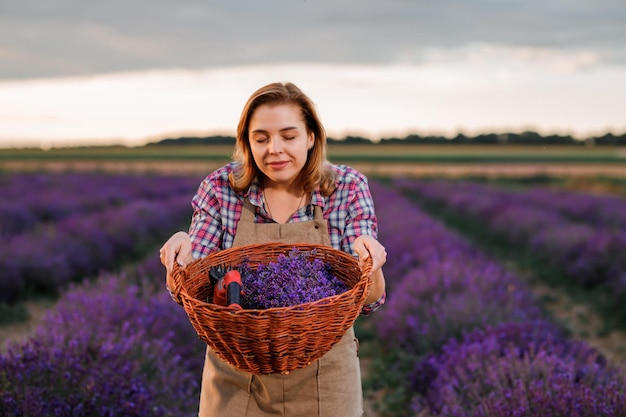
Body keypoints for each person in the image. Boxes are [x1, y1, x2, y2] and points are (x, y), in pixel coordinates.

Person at [160, 81, 387, 417]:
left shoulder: (346, 188)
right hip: (236, 377)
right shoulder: (221, 189)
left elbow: (370, 298)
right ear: (247, 143)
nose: (275, 149)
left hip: (326, 378)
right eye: (261, 138)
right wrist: (180, 256)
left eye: (288, 136)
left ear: (311, 137)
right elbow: (190, 291)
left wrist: (373, 262)